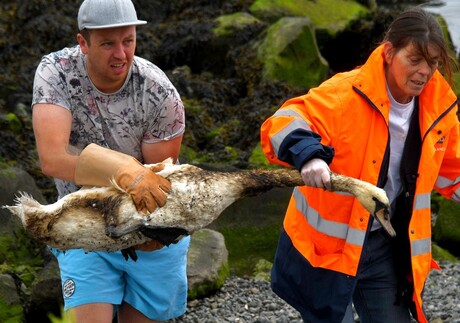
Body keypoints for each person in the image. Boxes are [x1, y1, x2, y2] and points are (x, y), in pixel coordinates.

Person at [260, 6, 459, 323]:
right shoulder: (343, 94)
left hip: (384, 247)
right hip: (324, 252)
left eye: (433, 63)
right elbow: (283, 121)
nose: (425, 71)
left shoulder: (439, 108)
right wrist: (309, 155)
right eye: (415, 60)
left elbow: (451, 168)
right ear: (390, 51)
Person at [31, 0, 190, 322]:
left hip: (147, 231)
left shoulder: (159, 93)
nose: (121, 54)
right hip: (83, 222)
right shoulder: (57, 73)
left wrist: (149, 233)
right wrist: (124, 168)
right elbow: (52, 159)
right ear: (83, 43)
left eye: (128, 41)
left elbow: (159, 180)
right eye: (107, 44)